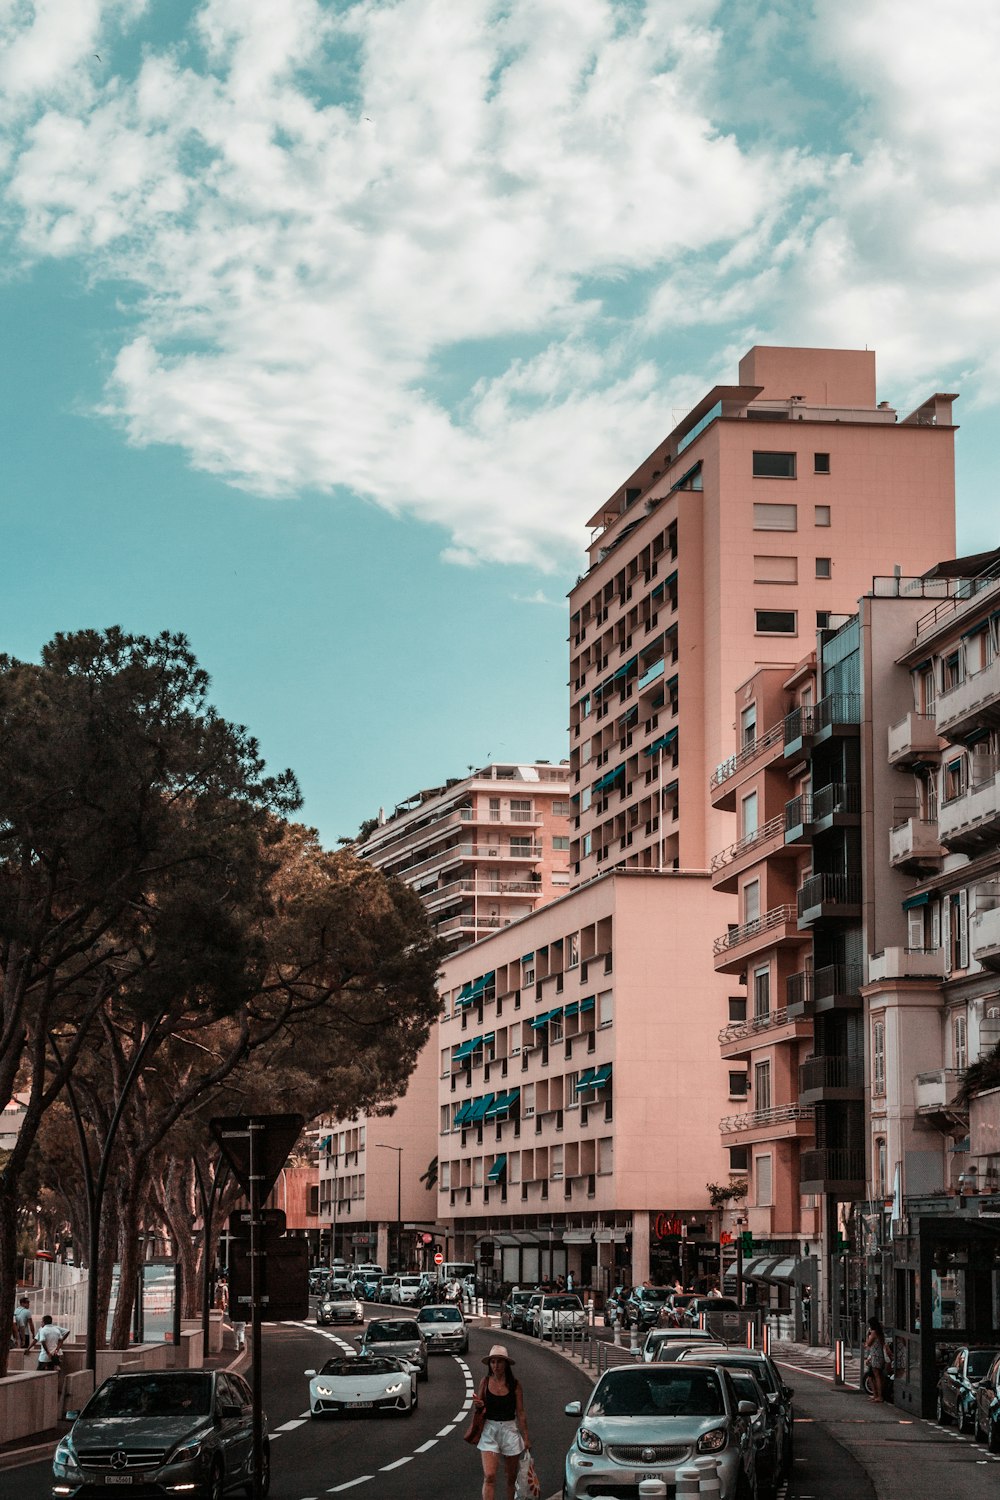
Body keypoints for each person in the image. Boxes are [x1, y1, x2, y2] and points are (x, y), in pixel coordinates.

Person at [473, 1344, 530, 1500]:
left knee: (510, 1478)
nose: (495, 1366)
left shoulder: (515, 1385)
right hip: (489, 1430)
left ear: (506, 1364)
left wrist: (526, 1438)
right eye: (492, 1362)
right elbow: (479, 1409)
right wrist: (478, 1406)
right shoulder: (484, 1382)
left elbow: (520, 1412)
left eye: (499, 1362)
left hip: (509, 1429)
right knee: (489, 1475)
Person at [864, 1316, 887, 1403]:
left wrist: (867, 1336)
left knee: (876, 1376)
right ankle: (876, 1395)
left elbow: (868, 1344)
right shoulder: (880, 1333)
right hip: (879, 1355)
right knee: (875, 1376)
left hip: (875, 1356)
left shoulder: (874, 1333)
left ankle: (878, 1396)